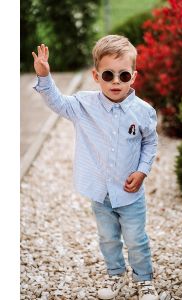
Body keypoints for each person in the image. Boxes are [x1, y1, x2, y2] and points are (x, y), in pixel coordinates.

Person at [32, 35, 159, 300]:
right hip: (101, 194)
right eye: (108, 74)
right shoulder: (83, 105)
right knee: (108, 239)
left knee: (136, 239)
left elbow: (150, 141)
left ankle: (144, 279)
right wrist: (45, 77)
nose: (115, 81)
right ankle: (115, 276)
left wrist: (143, 170)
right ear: (96, 75)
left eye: (123, 76)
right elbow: (57, 102)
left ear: (133, 77)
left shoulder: (143, 111)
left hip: (130, 194)